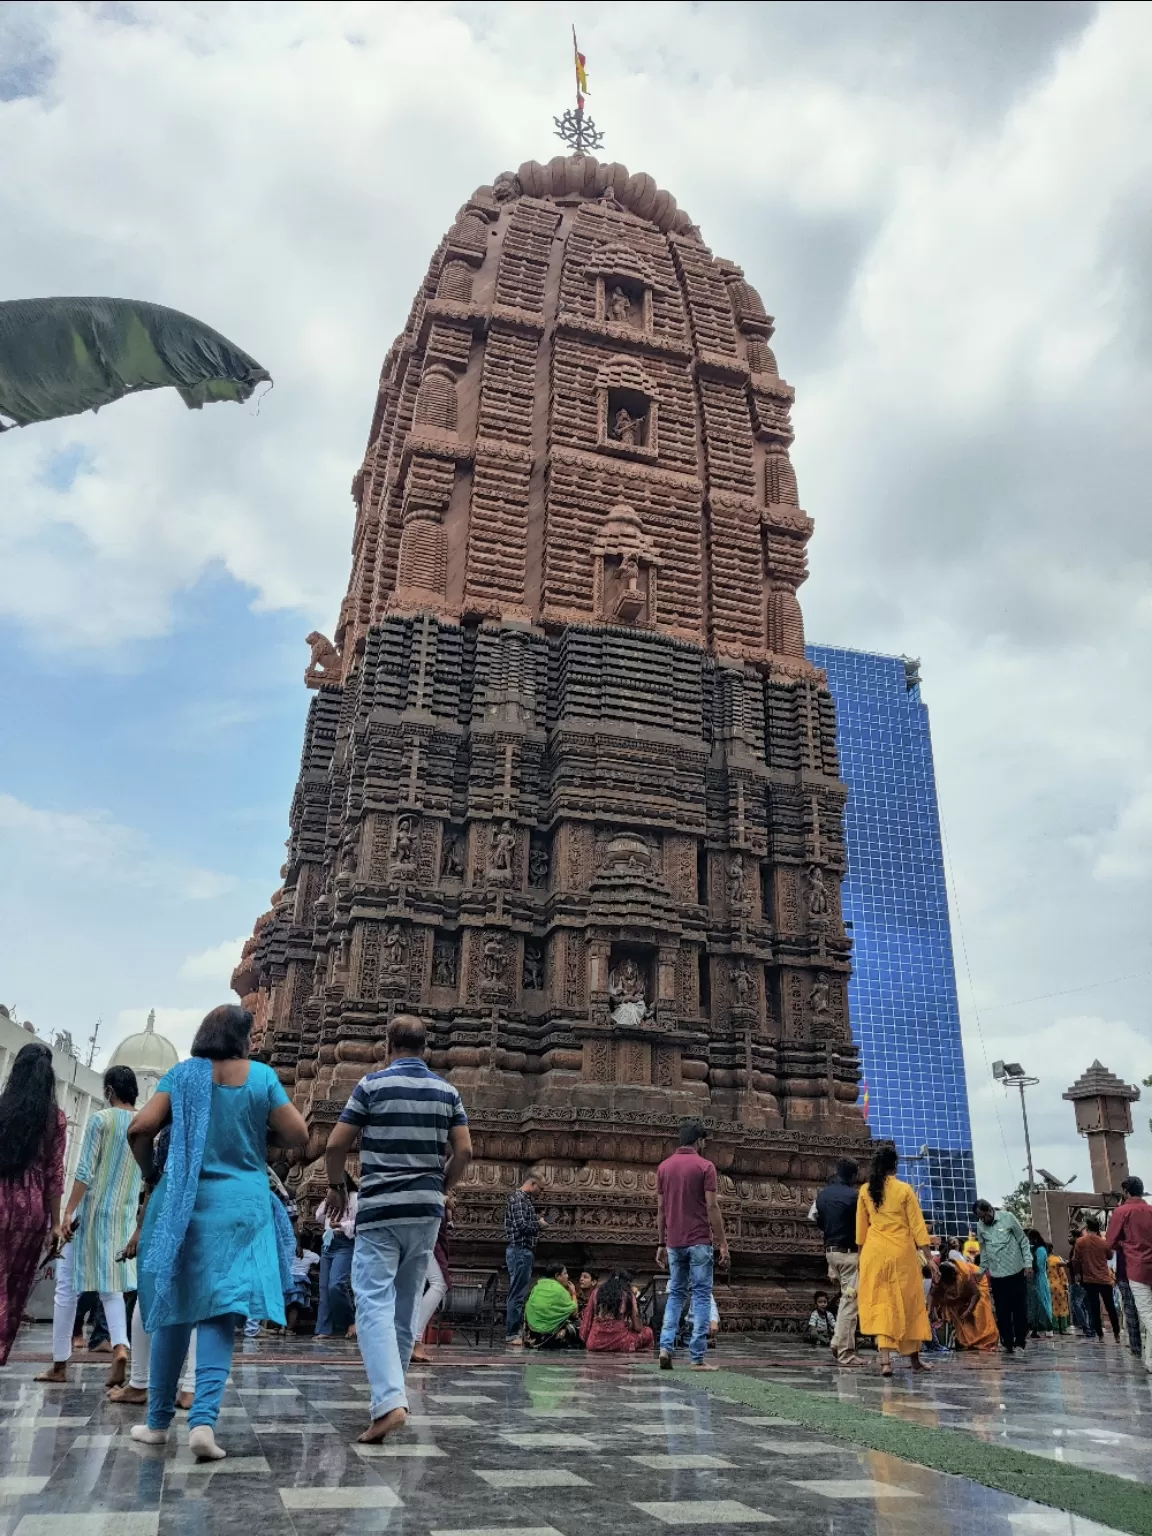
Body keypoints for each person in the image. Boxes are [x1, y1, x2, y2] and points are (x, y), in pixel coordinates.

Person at [126, 1004, 309, 1461]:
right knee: (219, 1312)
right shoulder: (261, 1076)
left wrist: (153, 1173)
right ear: (243, 1039)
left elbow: (140, 1128)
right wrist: (255, 1132)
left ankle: (156, 1423)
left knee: (173, 1307)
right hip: (241, 1206)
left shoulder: (182, 1075)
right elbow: (298, 1134)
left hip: (181, 1203)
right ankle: (203, 1422)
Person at [323, 1014, 472, 1444]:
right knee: (405, 1305)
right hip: (426, 1211)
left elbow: (335, 1144)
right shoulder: (447, 1092)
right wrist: (439, 1186)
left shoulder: (371, 1086)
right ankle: (392, 1395)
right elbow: (464, 1151)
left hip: (381, 1210)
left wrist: (337, 1188)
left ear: (388, 1045)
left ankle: (389, 1401)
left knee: (372, 1300)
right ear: (426, 1048)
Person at [37, 1065, 142, 1387]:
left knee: (67, 1288)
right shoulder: (144, 1124)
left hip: (92, 1212)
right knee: (111, 1288)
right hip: (123, 1216)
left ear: (110, 1089)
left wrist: (67, 1213)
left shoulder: (101, 1119)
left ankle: (59, 1364)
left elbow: (85, 1170)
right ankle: (121, 1347)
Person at [108, 1126, 195, 1409]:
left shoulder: (176, 1102)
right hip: (214, 1197)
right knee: (198, 1298)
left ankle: (140, 1383)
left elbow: (138, 1131)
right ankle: (191, 1388)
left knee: (149, 1292)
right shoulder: (235, 1089)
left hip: (169, 1199)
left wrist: (148, 1175)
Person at [0, 1042, 66, 1367]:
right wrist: (56, 1224)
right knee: (14, 1283)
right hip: (33, 1207)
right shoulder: (55, 1119)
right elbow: (55, 1174)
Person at [656, 1119, 729, 1371]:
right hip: (699, 1240)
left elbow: (661, 1210)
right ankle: (696, 1357)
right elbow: (711, 1206)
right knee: (700, 1296)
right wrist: (723, 1243)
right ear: (699, 1141)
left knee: (675, 1294)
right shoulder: (705, 1166)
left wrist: (660, 1243)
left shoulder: (664, 1167)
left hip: (674, 1241)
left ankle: (665, 1347)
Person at [856, 1146, 933, 1376]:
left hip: (874, 1253)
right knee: (909, 1304)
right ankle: (915, 1361)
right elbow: (918, 1227)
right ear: (895, 1165)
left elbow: (861, 1229)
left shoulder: (865, 1190)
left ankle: (886, 1361)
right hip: (901, 1254)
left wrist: (861, 1257)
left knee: (882, 1305)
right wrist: (929, 1257)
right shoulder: (904, 1189)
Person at [812, 1157, 863, 1367]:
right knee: (850, 1303)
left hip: (831, 1253)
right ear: (853, 1175)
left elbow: (815, 1218)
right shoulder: (854, 1196)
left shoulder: (822, 1195)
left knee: (846, 1299)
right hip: (850, 1254)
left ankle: (837, 1341)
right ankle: (845, 1352)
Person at [972, 1198, 1032, 1355]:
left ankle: (1020, 1342)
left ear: (990, 1210)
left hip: (1016, 1271)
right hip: (997, 1275)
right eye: (980, 1218)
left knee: (1019, 1310)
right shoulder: (980, 1227)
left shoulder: (1008, 1217)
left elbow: (1023, 1241)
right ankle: (1007, 1343)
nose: (983, 1220)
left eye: (984, 1216)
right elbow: (984, 1251)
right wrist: (981, 1271)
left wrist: (1028, 1264)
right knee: (1002, 1312)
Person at [1107, 1176, 1152, 1372]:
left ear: (1126, 1192)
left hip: (1136, 1267)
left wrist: (1125, 1245)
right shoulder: (1150, 1210)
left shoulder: (1122, 1211)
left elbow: (1109, 1243)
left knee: (1147, 1314)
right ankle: (1150, 1360)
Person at [314, 1173, 358, 1339]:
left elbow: (360, 1222)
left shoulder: (355, 1198)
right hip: (328, 1242)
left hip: (344, 1242)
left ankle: (352, 1319)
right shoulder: (330, 1199)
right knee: (324, 1288)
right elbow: (319, 1217)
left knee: (336, 1284)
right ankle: (324, 1328)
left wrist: (341, 1224)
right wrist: (327, 1200)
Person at [412, 1194, 454, 1363]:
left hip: (422, 1238)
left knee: (417, 1285)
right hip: (423, 1238)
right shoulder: (433, 1191)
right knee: (439, 1283)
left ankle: (411, 1338)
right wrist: (441, 1200)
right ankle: (414, 1338)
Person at [504, 1173, 545, 1346]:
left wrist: (535, 1219)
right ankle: (512, 1333)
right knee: (517, 1293)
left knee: (519, 1292)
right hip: (520, 1251)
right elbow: (522, 1226)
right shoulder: (519, 1199)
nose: (541, 1192)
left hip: (522, 1251)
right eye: (540, 1188)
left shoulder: (524, 1200)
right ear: (532, 1183)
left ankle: (516, 1332)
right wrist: (539, 1225)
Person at [932, 1258, 999, 1351]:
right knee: (955, 1308)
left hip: (978, 1281)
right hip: (959, 1290)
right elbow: (936, 1297)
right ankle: (967, 1339)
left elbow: (976, 1294)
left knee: (980, 1308)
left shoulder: (965, 1274)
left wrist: (968, 1310)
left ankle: (986, 1339)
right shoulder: (938, 1277)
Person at [582, 1270, 654, 1353]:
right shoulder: (628, 1294)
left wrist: (586, 1339)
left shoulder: (596, 1292)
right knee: (648, 1332)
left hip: (595, 1344)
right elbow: (638, 1327)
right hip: (621, 1343)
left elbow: (586, 1322)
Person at [1073, 1217, 1120, 1343]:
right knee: (1110, 1307)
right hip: (1105, 1279)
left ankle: (1100, 1335)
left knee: (1094, 1307)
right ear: (1098, 1229)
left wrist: (1077, 1274)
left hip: (1089, 1280)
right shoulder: (1104, 1242)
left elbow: (1076, 1260)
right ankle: (1117, 1334)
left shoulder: (1080, 1242)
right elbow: (1109, 1256)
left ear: (1087, 1229)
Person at [524, 1262, 581, 1349]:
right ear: (557, 1276)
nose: (567, 1276)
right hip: (551, 1335)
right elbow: (574, 1313)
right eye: (565, 1273)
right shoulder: (560, 1290)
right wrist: (573, 1294)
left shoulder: (537, 1287)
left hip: (534, 1333)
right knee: (579, 1324)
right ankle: (558, 1338)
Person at [1025, 1229, 1054, 1338]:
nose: (1029, 1241)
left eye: (1029, 1239)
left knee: (1043, 1302)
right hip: (1034, 1280)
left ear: (1035, 1238)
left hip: (1039, 1279)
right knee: (1034, 1305)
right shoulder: (1034, 1249)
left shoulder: (1041, 1249)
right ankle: (1034, 1329)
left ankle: (1049, 1327)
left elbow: (1040, 1265)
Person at [286, 1241, 320, 1332]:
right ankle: (289, 1329)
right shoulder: (312, 1255)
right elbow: (319, 1261)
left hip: (286, 1280)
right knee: (294, 1307)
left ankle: (279, 1327)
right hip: (299, 1283)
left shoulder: (287, 1251)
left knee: (283, 1305)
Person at [1048, 1249, 1072, 1334]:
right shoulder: (1056, 1259)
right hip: (1058, 1286)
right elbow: (1062, 1273)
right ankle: (1063, 1327)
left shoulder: (1045, 1260)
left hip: (1048, 1285)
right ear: (1052, 1251)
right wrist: (1065, 1284)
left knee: (1052, 1306)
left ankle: (1055, 1327)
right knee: (1062, 1306)